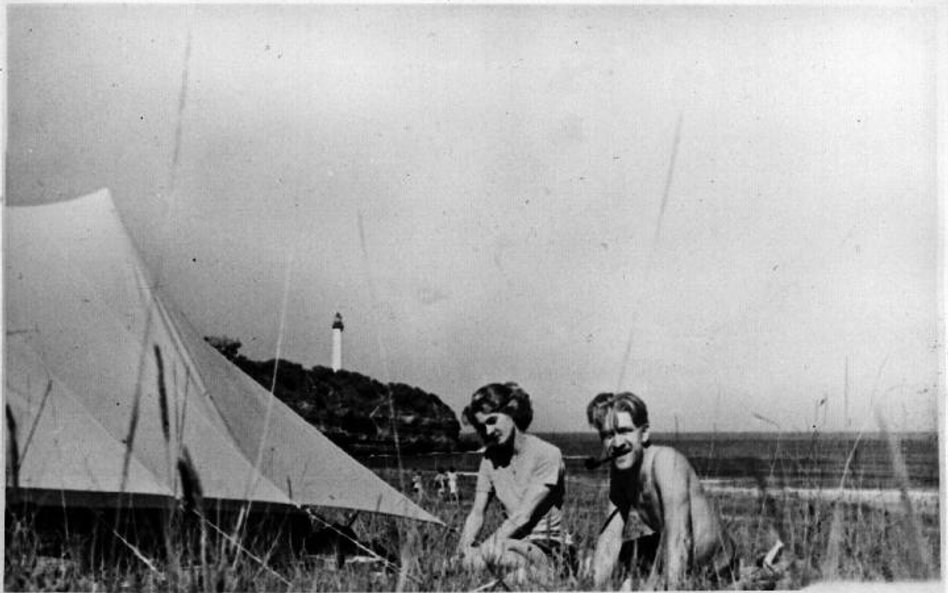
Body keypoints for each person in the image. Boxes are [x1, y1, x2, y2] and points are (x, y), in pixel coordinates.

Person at [587, 392, 738, 590]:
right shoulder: (620, 473)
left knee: (634, 585)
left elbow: (679, 537)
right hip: (669, 550)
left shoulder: (665, 462)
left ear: (645, 433)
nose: (616, 443)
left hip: (716, 565)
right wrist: (592, 587)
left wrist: (670, 587)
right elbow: (610, 537)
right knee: (597, 562)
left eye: (624, 431)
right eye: (608, 435)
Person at [456, 382, 575, 580]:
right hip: (512, 544)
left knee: (482, 561)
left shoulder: (547, 453)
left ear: (511, 411)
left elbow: (522, 517)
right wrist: (462, 550)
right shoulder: (489, 460)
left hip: (550, 548)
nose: (488, 431)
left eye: (493, 420)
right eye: (482, 426)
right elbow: (477, 513)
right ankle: (528, 577)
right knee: (472, 563)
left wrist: (480, 551)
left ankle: (546, 574)